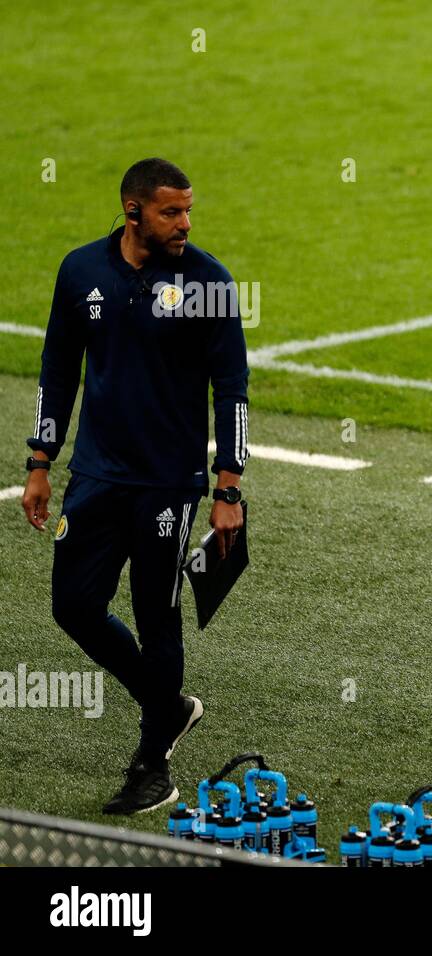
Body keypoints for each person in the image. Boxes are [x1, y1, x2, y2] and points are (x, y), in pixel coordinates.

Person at [20, 157, 249, 813]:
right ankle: (169, 705)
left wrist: (228, 486)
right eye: (171, 211)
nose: (185, 223)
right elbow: (58, 367)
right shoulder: (81, 271)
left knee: (158, 617)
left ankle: (153, 762)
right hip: (94, 475)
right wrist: (41, 459)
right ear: (132, 212)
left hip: (168, 485)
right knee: (74, 605)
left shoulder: (208, 282)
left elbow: (231, 388)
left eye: (188, 210)